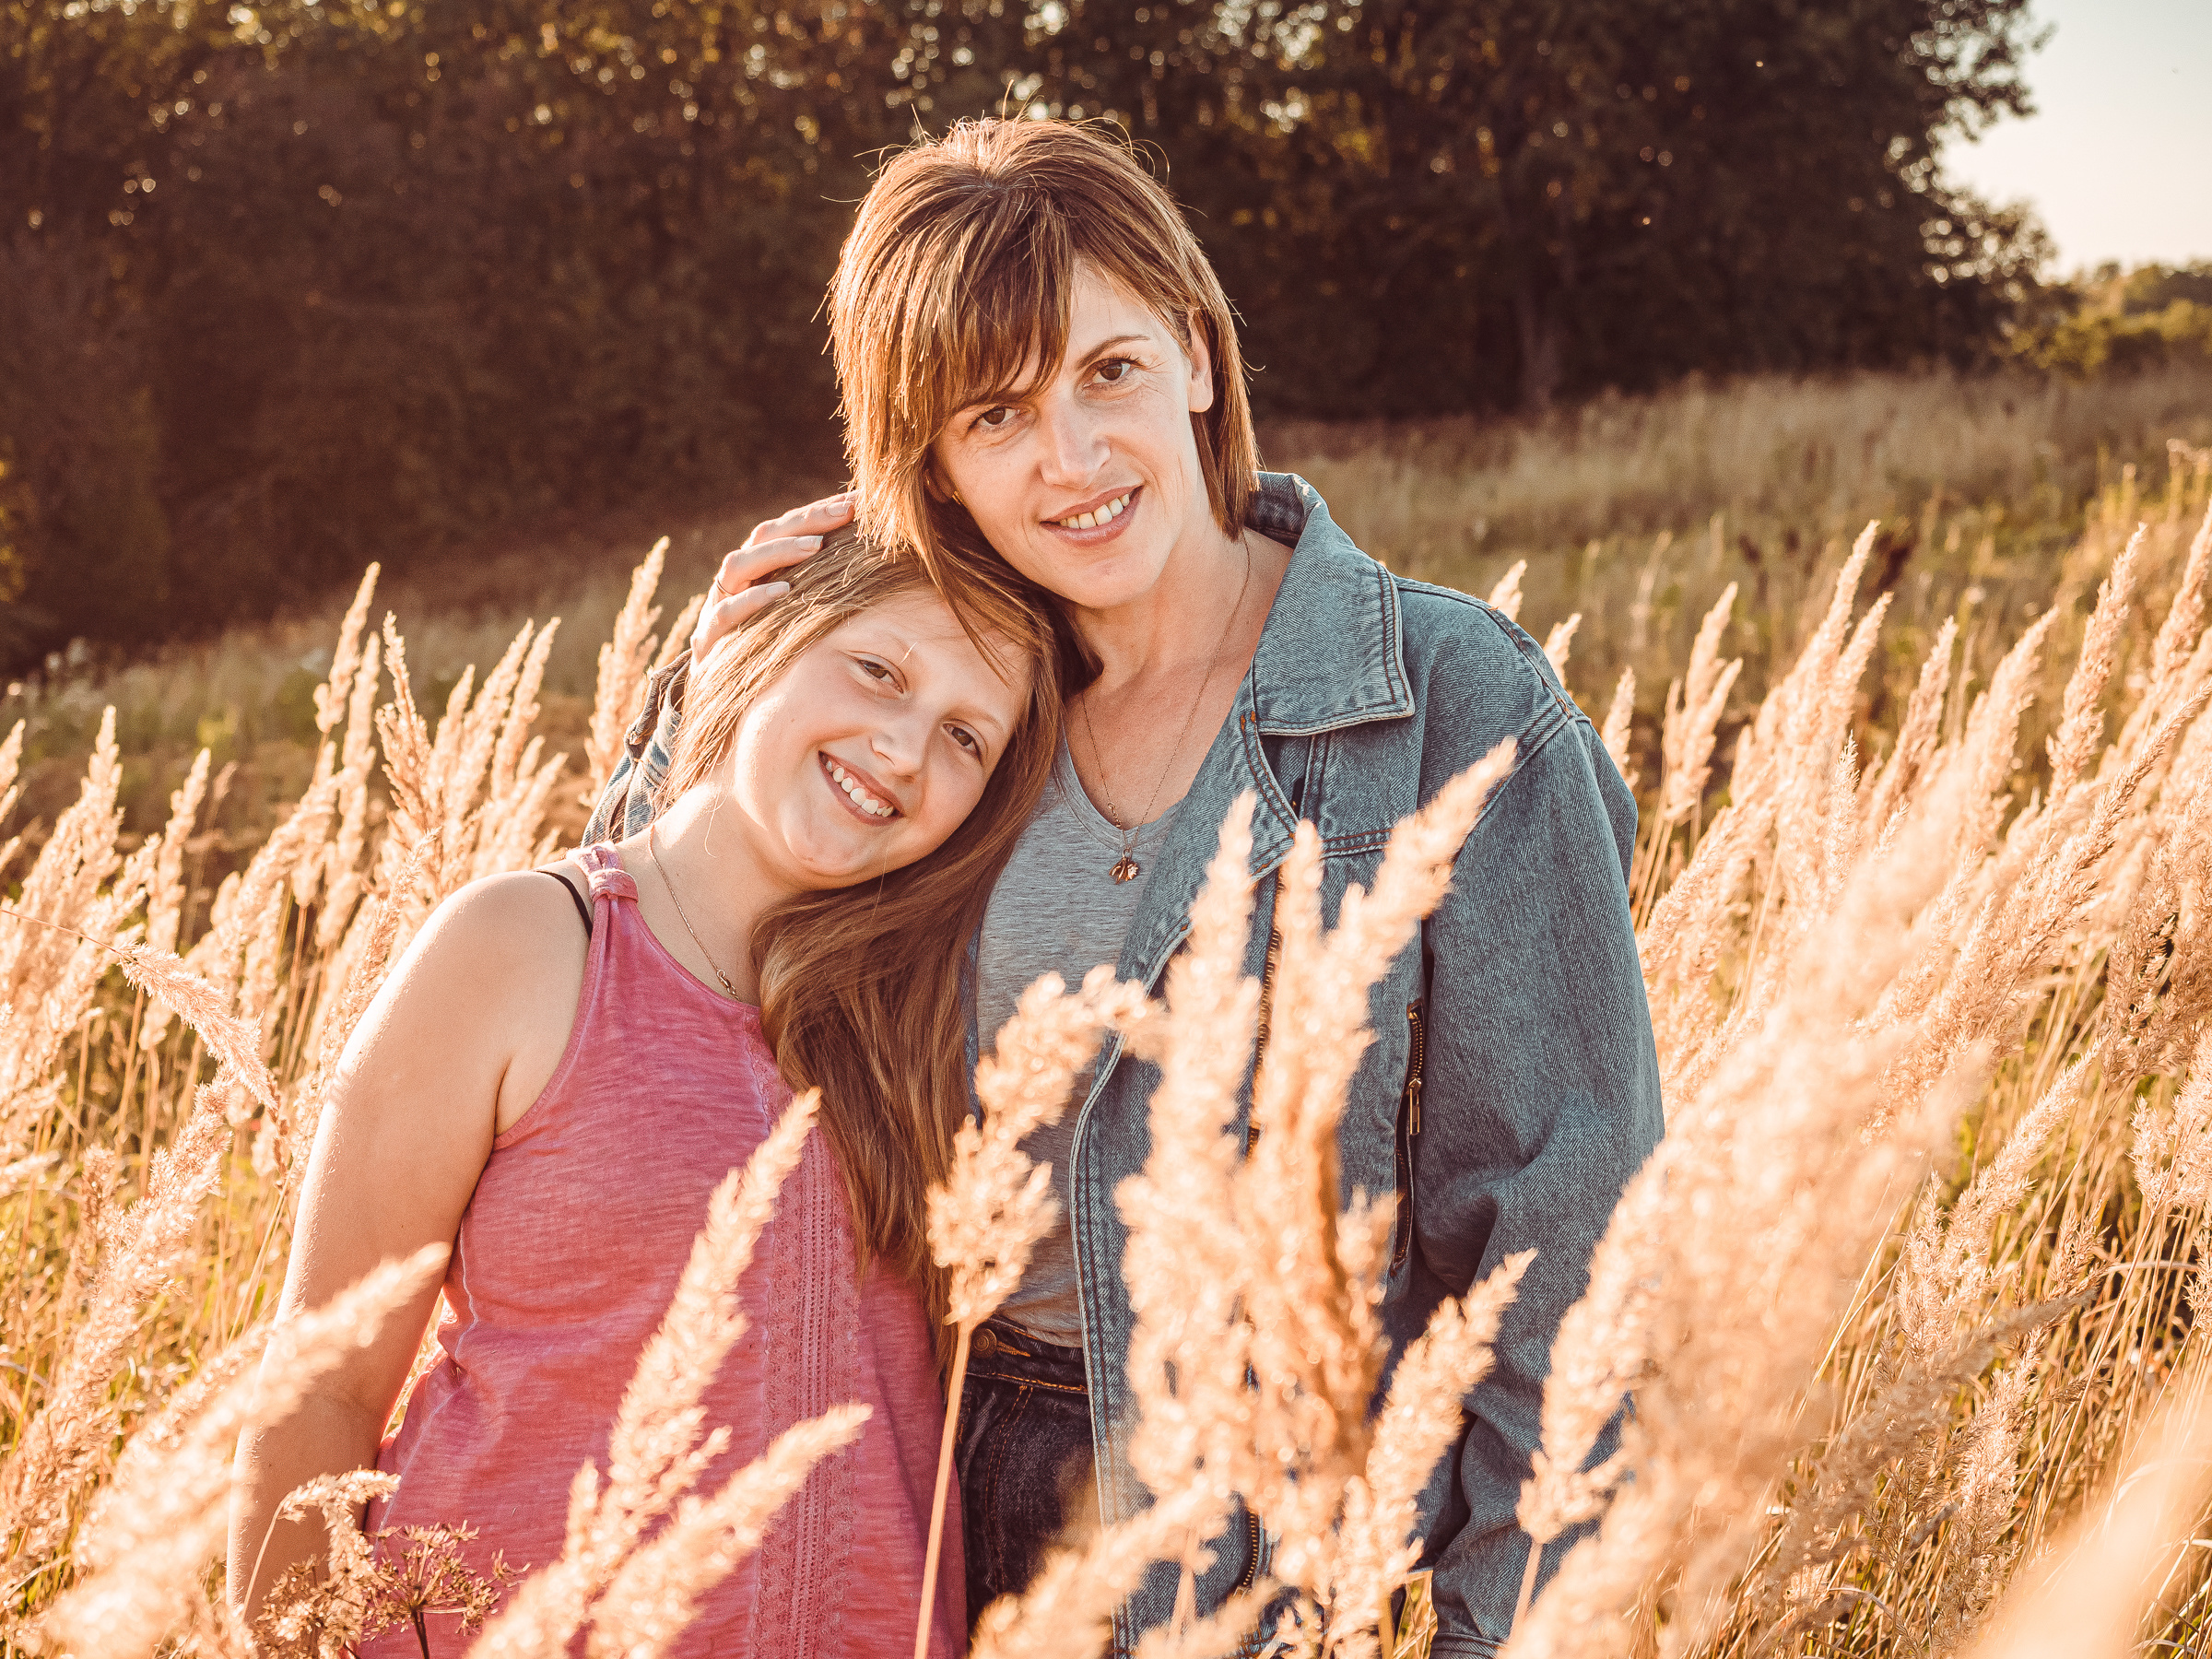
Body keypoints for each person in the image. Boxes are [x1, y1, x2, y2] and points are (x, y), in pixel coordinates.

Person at [591, 120, 1665, 1656]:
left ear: (1200, 359)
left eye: (1109, 372)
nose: (1074, 460)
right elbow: (653, 1004)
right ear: (937, 468)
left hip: (1265, 1539)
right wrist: (707, 714)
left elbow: (1573, 1246)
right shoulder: (945, 718)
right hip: (906, 1484)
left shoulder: (1449, 707)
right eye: (998, 414)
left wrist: (1508, 1636)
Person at [229, 524, 1072, 1658]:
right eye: (879, 670)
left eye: (966, 736)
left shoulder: (930, 1019)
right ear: (756, 637)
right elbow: (318, 1395)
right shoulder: (524, 947)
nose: (904, 749)